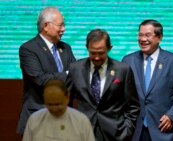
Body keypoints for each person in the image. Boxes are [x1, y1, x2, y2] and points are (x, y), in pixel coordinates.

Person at [66, 28, 140, 141]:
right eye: (92, 52)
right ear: (87, 48)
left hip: (115, 134)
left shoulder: (122, 70)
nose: (96, 57)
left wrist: (127, 131)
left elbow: (133, 106)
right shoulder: (75, 68)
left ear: (109, 48)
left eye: (100, 53)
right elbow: (66, 102)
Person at [122, 19, 173, 141]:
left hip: (163, 129)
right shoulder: (128, 60)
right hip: (134, 130)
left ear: (159, 37)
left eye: (147, 35)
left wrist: (172, 114)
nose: (142, 39)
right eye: (140, 35)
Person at [17, 7, 76, 135]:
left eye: (64, 25)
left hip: (65, 119)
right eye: (60, 25)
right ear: (46, 26)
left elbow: (76, 76)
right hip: (39, 118)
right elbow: (41, 79)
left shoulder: (65, 48)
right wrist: (67, 74)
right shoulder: (28, 49)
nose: (63, 29)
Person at [22, 79, 95, 141]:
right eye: (50, 104)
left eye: (58, 104)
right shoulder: (34, 120)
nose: (54, 109)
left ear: (67, 98)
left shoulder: (81, 121)